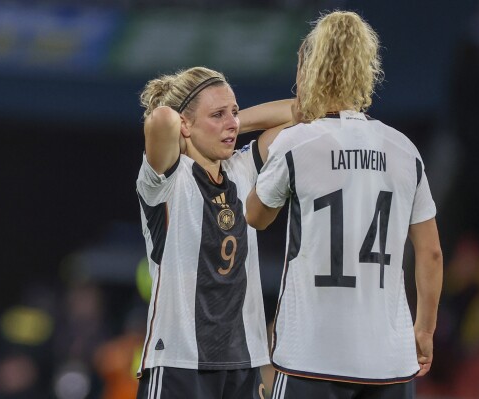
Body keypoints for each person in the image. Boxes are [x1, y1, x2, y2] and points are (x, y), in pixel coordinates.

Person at [246, 11, 443, 399]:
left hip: (310, 356)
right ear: (367, 68)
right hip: (389, 360)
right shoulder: (404, 150)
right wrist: (424, 329)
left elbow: (255, 216)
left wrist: (299, 111)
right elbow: (431, 253)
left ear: (310, 68)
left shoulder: (297, 142)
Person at [135, 66, 292, 399]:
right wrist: (197, 123)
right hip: (179, 360)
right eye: (218, 114)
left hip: (243, 360)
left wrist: (231, 122)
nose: (232, 122)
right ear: (186, 124)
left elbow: (305, 112)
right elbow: (161, 118)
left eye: (233, 111)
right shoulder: (167, 181)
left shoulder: (242, 169)